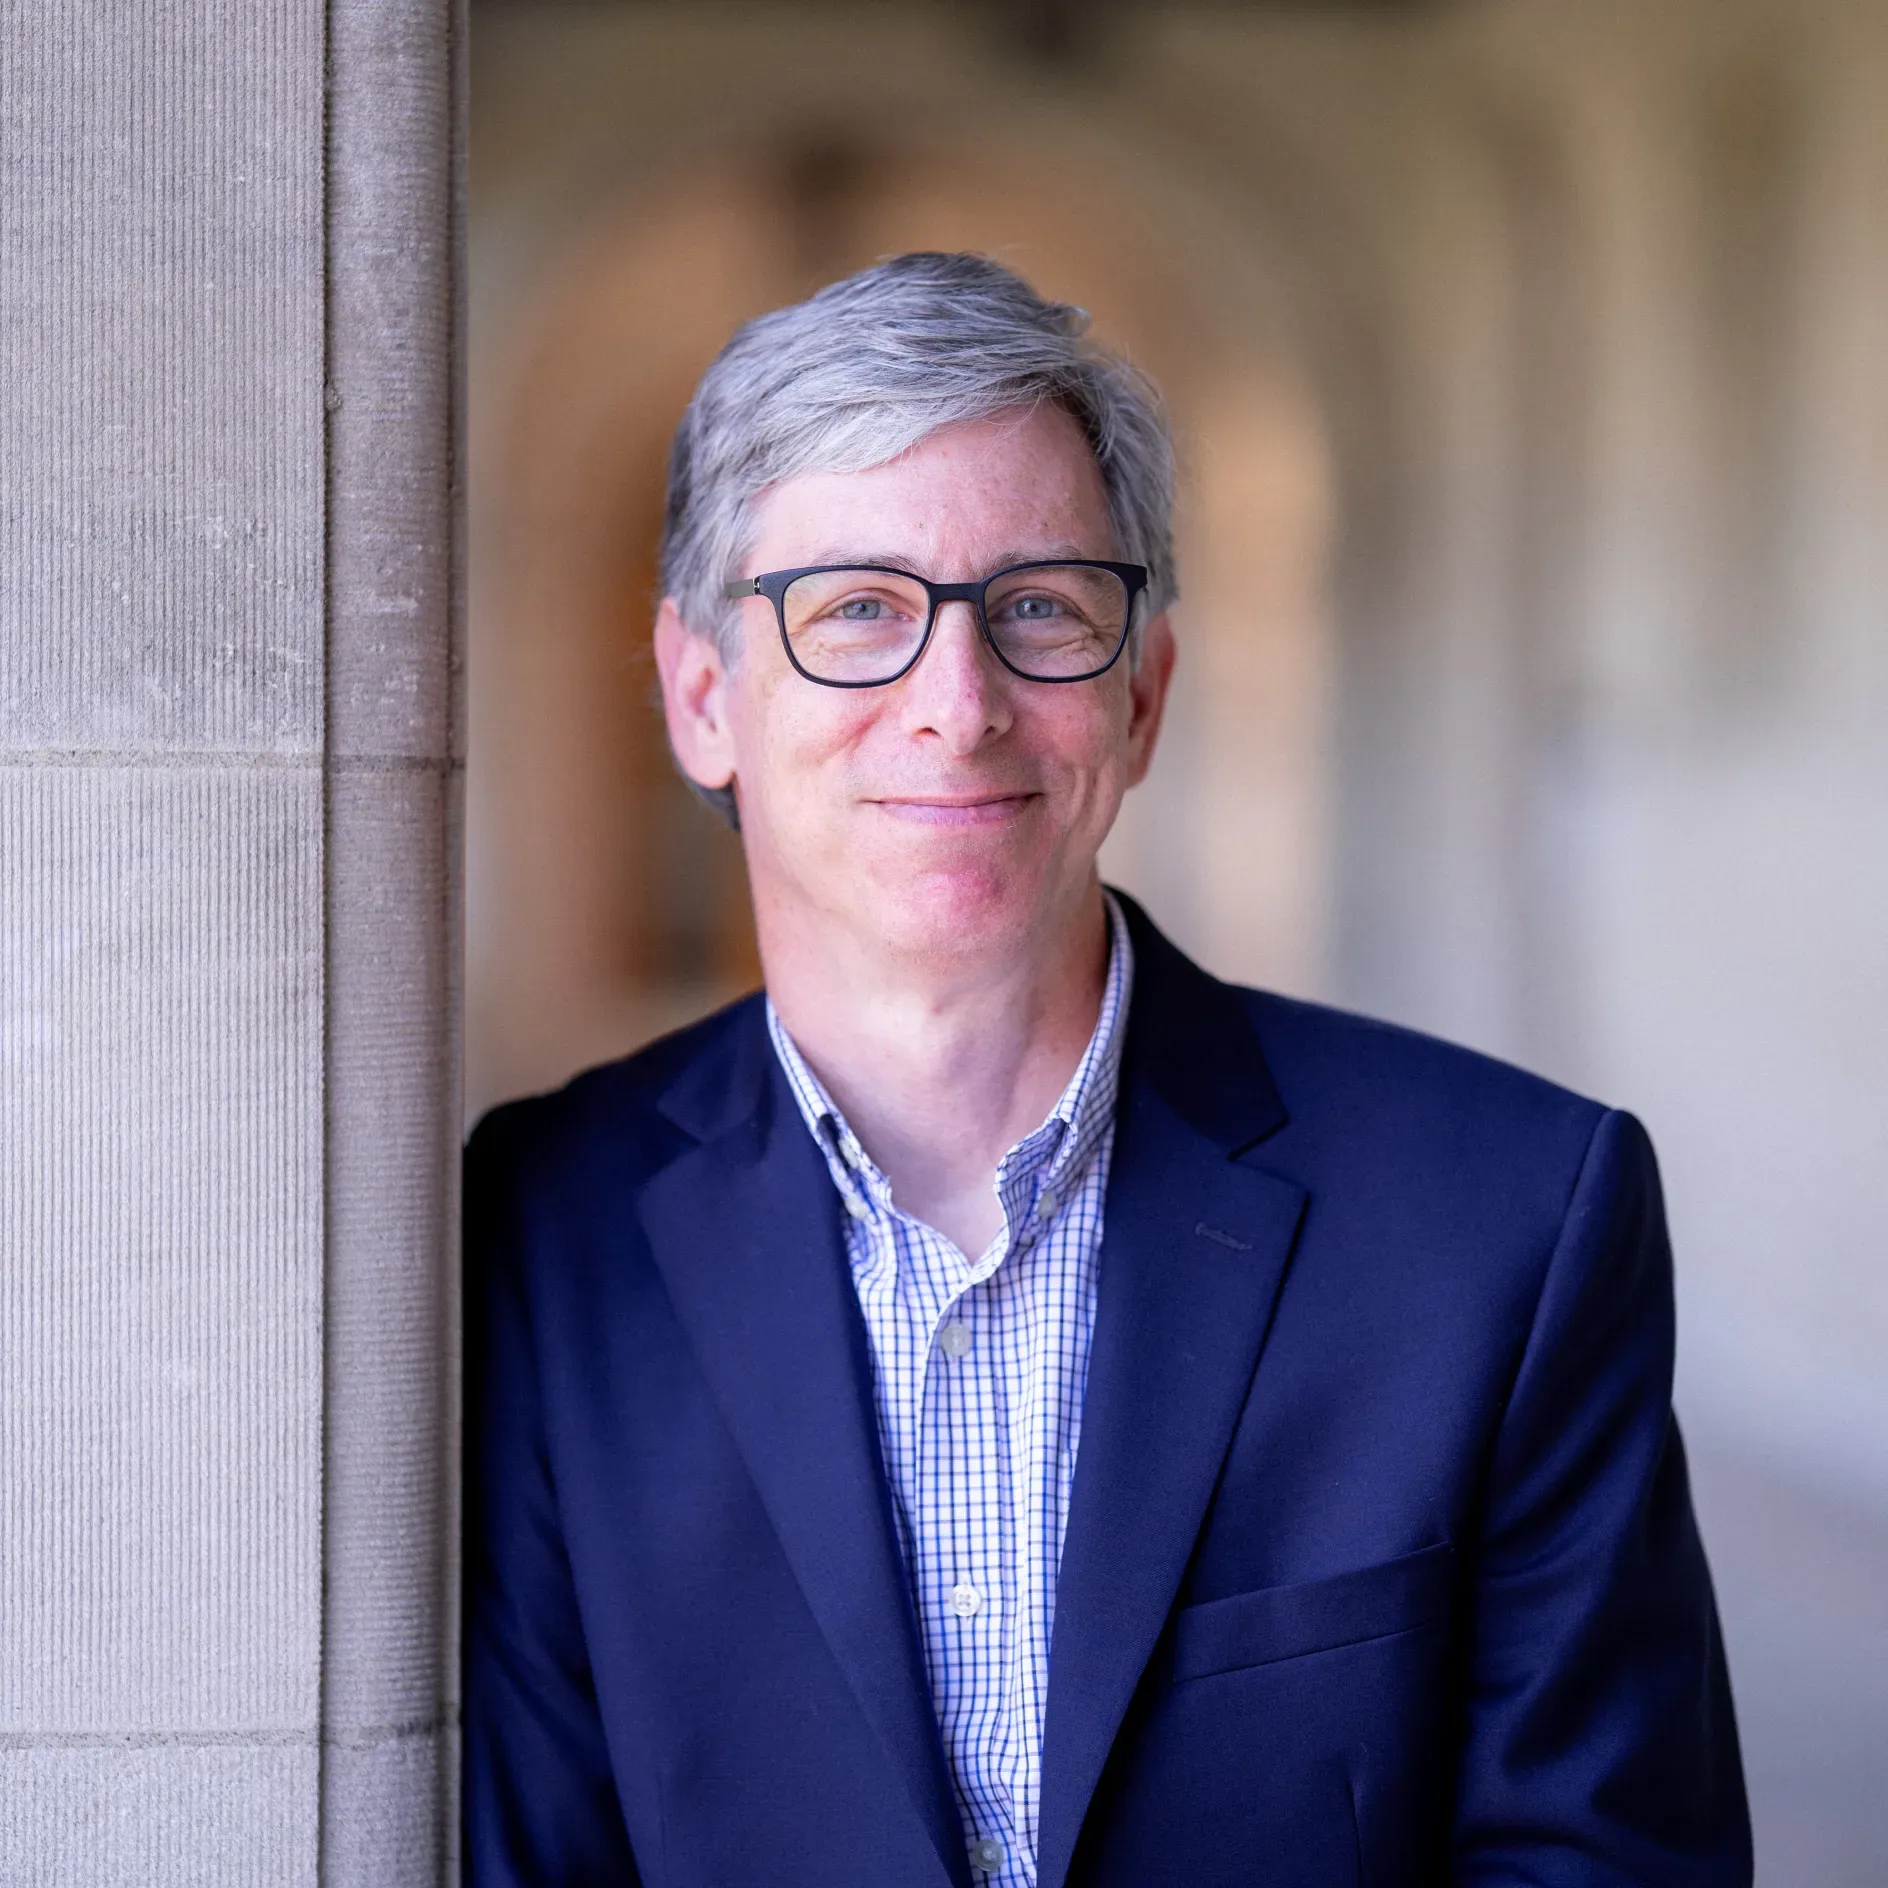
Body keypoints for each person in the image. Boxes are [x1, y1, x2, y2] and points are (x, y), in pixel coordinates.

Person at [463, 252, 1749, 1888]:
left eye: (1040, 610)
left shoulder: (1508, 1223)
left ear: (1141, 697)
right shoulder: (532, 1238)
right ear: (703, 697)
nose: (958, 705)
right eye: (858, 610)